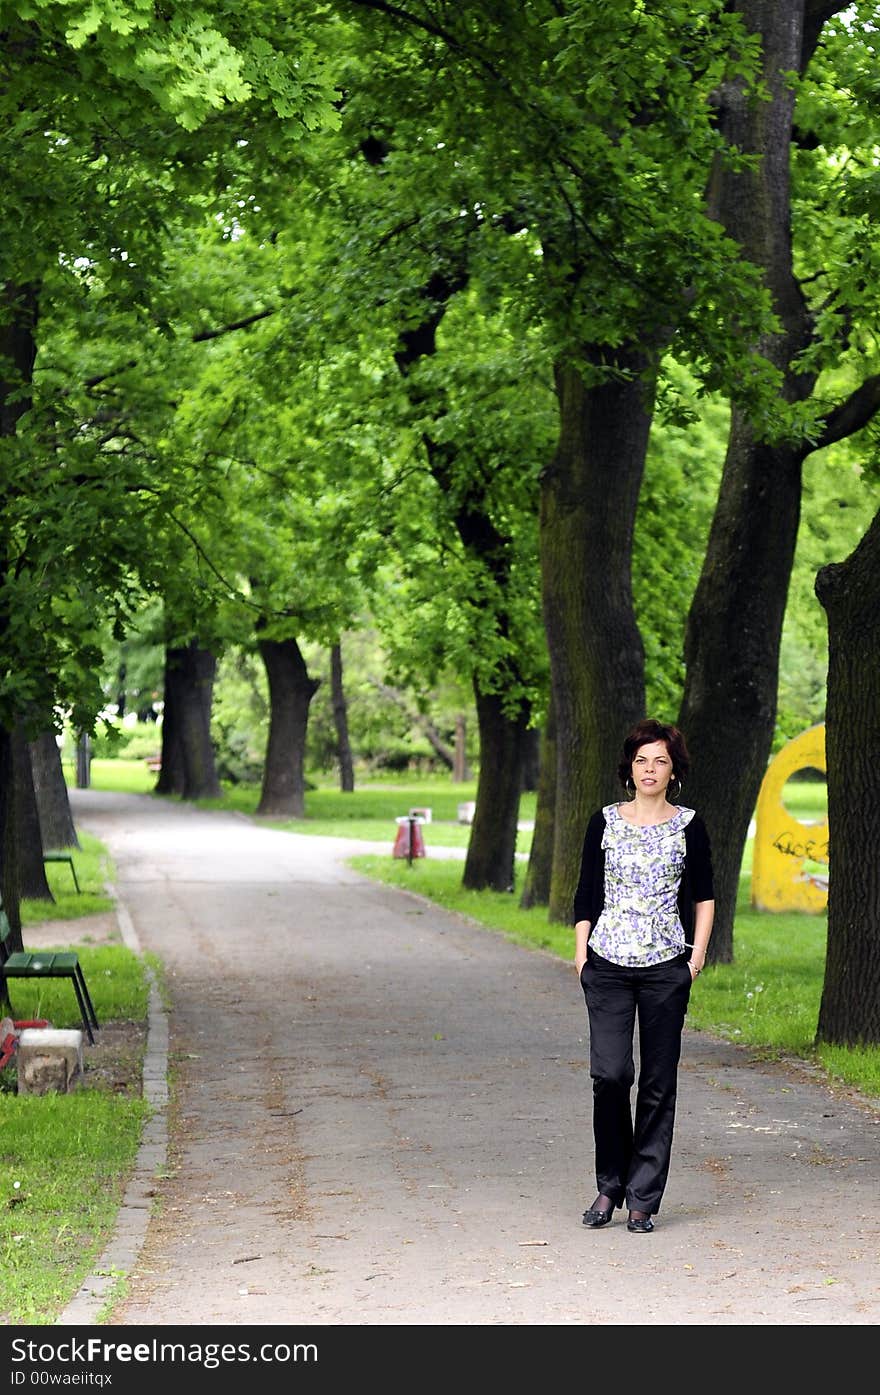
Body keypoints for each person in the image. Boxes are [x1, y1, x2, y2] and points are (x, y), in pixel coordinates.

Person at [573, 717, 714, 1233]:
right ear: (629, 768)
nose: (649, 769)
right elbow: (586, 890)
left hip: (664, 970)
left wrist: (694, 959)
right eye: (641, 760)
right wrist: (581, 953)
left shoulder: (688, 825)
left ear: (673, 770)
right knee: (610, 1076)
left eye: (659, 761)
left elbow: (704, 897)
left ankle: (642, 1198)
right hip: (607, 964)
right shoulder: (604, 822)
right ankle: (609, 1184)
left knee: (658, 1083)